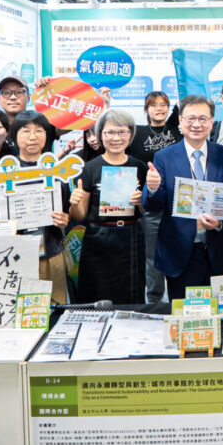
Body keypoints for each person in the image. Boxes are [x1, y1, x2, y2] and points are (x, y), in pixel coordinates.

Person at [0, 110, 72, 303]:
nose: (33, 137)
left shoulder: (58, 171)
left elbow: (67, 212)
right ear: (14, 135)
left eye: (39, 130)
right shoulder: (1, 172)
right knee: (15, 311)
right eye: (26, 131)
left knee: (54, 311)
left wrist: (64, 219)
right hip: (12, 259)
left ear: (46, 135)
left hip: (51, 256)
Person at [143, 95, 223, 300]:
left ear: (211, 122)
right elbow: (153, 205)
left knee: (221, 314)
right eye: (190, 118)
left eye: (203, 119)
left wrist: (220, 222)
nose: (196, 124)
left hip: (218, 253)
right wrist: (152, 188)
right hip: (180, 254)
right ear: (180, 120)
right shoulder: (164, 157)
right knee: (183, 314)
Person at [68, 109, 148, 305]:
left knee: (131, 297)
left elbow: (148, 210)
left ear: (130, 134)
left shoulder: (140, 167)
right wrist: (74, 202)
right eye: (110, 132)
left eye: (122, 132)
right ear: (100, 134)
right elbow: (79, 215)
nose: (116, 138)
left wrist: (141, 202)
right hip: (98, 239)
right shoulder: (89, 168)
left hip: (131, 238)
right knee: (95, 295)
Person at [129, 91, 183, 303]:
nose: (159, 108)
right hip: (150, 203)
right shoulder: (138, 132)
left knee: (179, 251)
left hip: (178, 201)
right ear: (146, 109)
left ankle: (179, 298)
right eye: (154, 105)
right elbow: (114, 133)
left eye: (163, 104)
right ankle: (153, 300)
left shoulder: (176, 128)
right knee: (152, 256)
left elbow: (184, 96)